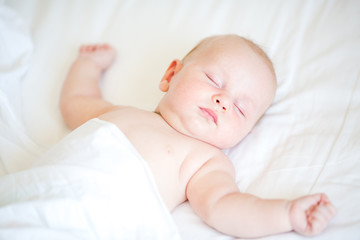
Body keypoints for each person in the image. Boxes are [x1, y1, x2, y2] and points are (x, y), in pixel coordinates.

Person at [60, 34, 336, 238]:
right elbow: (76, 101)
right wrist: (88, 64)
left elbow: (224, 207)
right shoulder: (120, 113)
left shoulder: (205, 160)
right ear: (171, 74)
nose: (223, 100)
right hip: (49, 187)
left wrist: (286, 214)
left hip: (99, 222)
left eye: (240, 109)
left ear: (244, 134)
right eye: (214, 81)